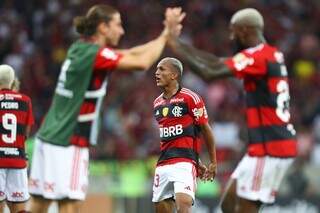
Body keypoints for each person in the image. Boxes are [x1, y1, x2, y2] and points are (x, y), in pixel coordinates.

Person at [28, 4, 185, 213]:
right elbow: (141, 62)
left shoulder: (80, 48)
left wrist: (164, 35)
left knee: (39, 203)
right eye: (117, 25)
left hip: (47, 137)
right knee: (69, 204)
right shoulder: (95, 55)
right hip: (69, 140)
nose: (121, 30)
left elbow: (132, 52)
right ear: (103, 27)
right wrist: (166, 36)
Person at [167, 8, 297, 213]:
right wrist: (178, 44)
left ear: (244, 31)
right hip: (262, 148)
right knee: (228, 205)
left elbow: (209, 72)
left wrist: (175, 45)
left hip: (271, 148)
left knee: (245, 208)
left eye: (233, 32)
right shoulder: (270, 54)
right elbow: (215, 62)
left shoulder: (258, 57)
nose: (231, 37)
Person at [152, 57, 217, 213]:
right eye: (156, 70)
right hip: (163, 164)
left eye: (162, 69)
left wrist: (213, 161)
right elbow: (177, 135)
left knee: (184, 203)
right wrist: (198, 159)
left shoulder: (190, 98)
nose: (156, 73)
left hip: (184, 163)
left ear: (174, 75)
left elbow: (205, 130)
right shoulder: (157, 103)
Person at [0, 65, 34, 213]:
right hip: (18, 160)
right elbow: (26, 133)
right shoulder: (25, 101)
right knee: (19, 207)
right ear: (13, 81)